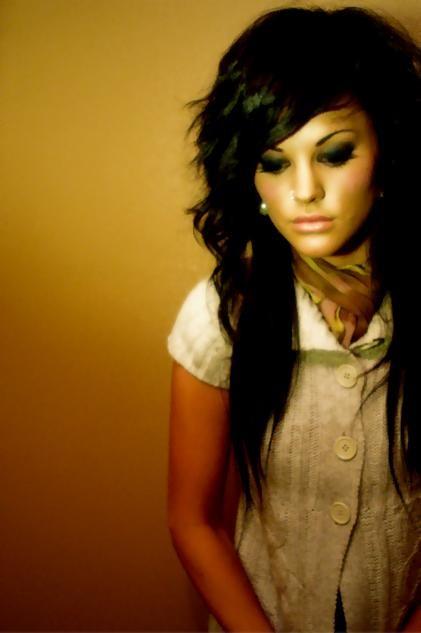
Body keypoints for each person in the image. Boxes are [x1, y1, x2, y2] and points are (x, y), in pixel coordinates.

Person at [166, 5, 421, 632]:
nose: (304, 189)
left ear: (386, 153)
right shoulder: (221, 314)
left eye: (334, 153)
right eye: (275, 162)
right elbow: (192, 520)